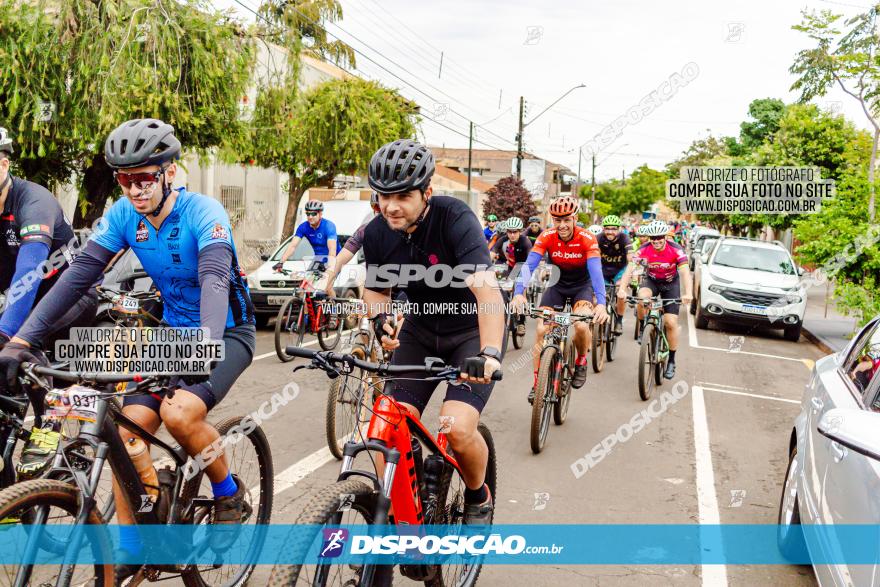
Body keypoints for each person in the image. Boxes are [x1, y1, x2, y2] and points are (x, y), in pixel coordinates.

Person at [0, 118, 257, 579]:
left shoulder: (204, 212)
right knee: (121, 429)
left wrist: (207, 345)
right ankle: (136, 540)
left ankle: (227, 490)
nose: (134, 190)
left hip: (226, 332)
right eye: (124, 179)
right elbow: (76, 278)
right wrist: (21, 341)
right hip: (168, 335)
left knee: (180, 415)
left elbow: (215, 281)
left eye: (144, 178)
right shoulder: (123, 216)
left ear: (169, 172)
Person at [362, 139, 504, 527]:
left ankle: (478, 494)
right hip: (420, 333)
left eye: (403, 196)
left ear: (427, 192)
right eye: (383, 196)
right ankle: (405, 520)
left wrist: (489, 353)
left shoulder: (455, 218)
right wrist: (380, 321)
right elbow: (376, 290)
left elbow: (486, 290)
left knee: (456, 429)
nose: (391, 205)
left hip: (469, 334)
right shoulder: (377, 232)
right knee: (386, 429)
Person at [0, 127, 100, 479]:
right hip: (20, 299)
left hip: (71, 295)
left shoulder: (33, 202)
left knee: (24, 343)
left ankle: (48, 423)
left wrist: (7, 335)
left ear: (4, 164)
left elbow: (29, 274)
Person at [511, 196, 608, 402]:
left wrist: (601, 303)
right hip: (557, 285)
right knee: (541, 329)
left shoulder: (587, 238)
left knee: (581, 325)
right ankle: (537, 384)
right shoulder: (546, 236)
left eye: (566, 220)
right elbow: (529, 265)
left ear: (574, 218)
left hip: (583, 286)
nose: (562, 225)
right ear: (552, 219)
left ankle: (581, 360)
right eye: (557, 220)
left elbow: (596, 272)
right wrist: (518, 292)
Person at [617, 220, 692, 379]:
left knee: (670, 322)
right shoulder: (643, 249)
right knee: (642, 298)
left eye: (659, 238)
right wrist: (622, 289)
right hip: (651, 281)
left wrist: (688, 293)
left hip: (671, 284)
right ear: (649, 238)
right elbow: (629, 270)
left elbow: (685, 273)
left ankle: (671, 360)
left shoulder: (676, 250)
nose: (656, 241)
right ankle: (645, 327)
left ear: (665, 237)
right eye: (653, 238)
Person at [490, 217, 533, 336]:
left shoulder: (525, 241)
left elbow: (530, 259)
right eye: (510, 231)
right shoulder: (502, 240)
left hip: (523, 268)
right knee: (500, 288)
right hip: (510, 268)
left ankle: (521, 322)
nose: (512, 235)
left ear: (520, 231)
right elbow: (491, 254)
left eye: (515, 232)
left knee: (521, 292)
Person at [274, 200, 339, 271]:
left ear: (320, 214)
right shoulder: (303, 227)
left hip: (335, 258)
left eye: (314, 214)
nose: (310, 217)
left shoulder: (328, 226)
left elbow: (332, 249)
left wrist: (329, 267)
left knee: (328, 280)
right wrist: (281, 262)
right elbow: (293, 246)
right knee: (308, 280)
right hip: (319, 259)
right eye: (308, 214)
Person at [597, 215, 632, 335]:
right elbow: (594, 256)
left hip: (619, 271)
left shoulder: (624, 238)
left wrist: (632, 263)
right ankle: (596, 328)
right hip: (603, 271)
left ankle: (619, 321)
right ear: (603, 229)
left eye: (613, 228)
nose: (610, 231)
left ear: (619, 229)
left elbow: (630, 257)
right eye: (607, 228)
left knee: (620, 293)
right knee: (596, 296)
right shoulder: (599, 238)